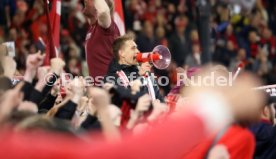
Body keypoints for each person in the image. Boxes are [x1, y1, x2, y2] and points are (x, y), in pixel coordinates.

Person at [83, 0, 120, 81]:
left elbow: (103, 11)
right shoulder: (92, 29)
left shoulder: (106, 27)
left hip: (109, 87)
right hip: (98, 88)